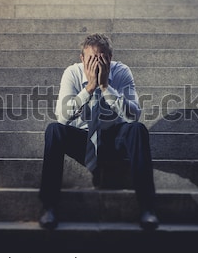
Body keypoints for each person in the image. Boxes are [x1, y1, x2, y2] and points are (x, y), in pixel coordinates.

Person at [38, 33, 159, 230]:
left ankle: (148, 208)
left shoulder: (122, 72)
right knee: (54, 130)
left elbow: (133, 115)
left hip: (114, 139)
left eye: (101, 58)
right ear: (82, 59)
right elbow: (62, 117)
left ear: (110, 58)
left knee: (137, 129)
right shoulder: (72, 73)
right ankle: (49, 207)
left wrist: (105, 87)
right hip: (83, 140)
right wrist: (89, 88)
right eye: (91, 58)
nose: (95, 63)